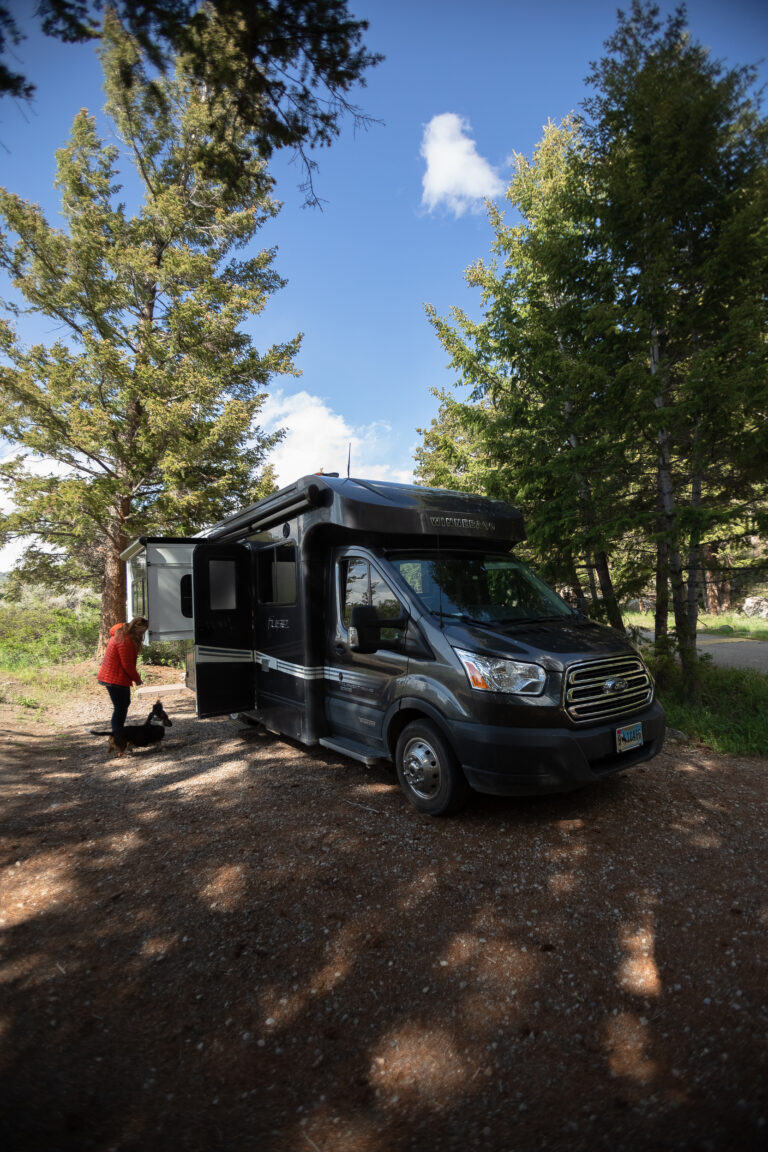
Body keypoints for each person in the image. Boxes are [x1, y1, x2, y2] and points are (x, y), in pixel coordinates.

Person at [97, 617, 149, 734]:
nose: (142, 635)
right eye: (142, 632)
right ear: (136, 629)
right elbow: (127, 665)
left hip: (111, 677)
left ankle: (118, 734)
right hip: (115, 678)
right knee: (121, 707)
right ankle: (118, 736)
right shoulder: (125, 641)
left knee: (122, 706)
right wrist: (137, 679)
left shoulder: (121, 634)